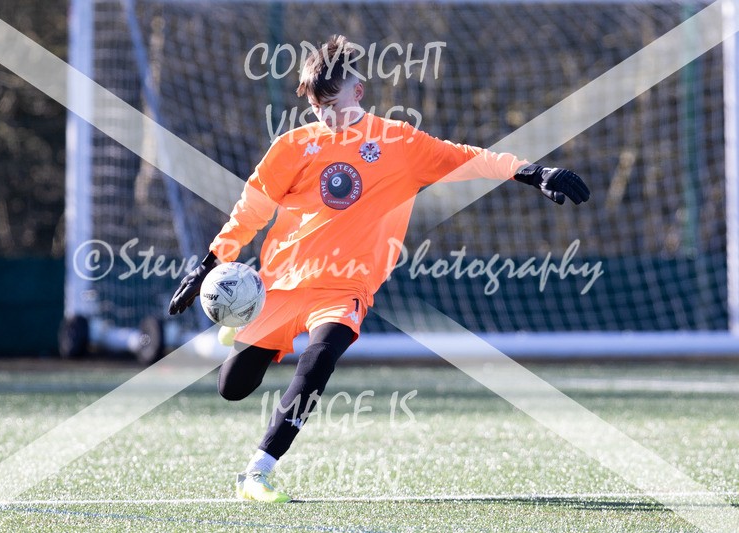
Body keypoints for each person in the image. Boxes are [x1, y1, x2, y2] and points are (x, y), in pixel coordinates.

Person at [168, 34, 590, 503]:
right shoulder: (294, 146)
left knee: (319, 362)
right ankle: (246, 325)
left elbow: (466, 157)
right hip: (280, 284)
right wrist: (209, 262)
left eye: (332, 102)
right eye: (315, 106)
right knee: (233, 388)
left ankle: (259, 471)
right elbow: (250, 210)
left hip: (346, 287)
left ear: (358, 91)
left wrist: (533, 173)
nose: (325, 115)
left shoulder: (399, 143)